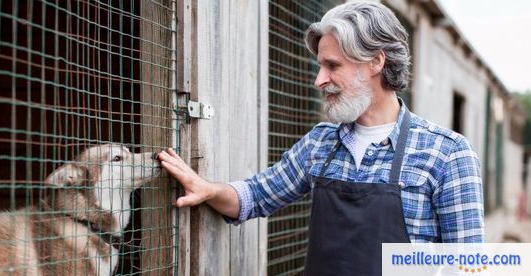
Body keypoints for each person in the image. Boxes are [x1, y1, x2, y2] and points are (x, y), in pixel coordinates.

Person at [157, 1, 484, 275]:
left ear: (376, 61)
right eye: (319, 66)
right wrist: (208, 189)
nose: (319, 80)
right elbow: (256, 195)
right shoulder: (320, 143)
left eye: (332, 65)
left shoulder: (446, 154)